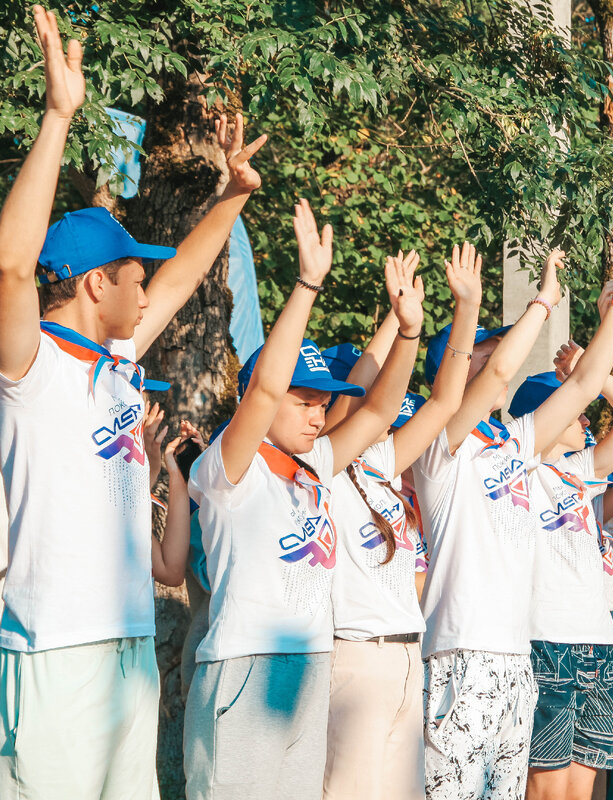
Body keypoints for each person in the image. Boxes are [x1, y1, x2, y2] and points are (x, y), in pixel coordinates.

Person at [0, 7, 267, 795]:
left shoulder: (116, 361)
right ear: (97, 282)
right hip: (54, 652)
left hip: (129, 643)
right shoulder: (28, 369)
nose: (146, 284)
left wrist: (234, 195)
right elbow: (9, 269)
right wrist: (58, 116)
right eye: (132, 271)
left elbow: (179, 279)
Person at [184, 200, 420, 798]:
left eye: (323, 403)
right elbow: (264, 387)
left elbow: (382, 410)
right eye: (305, 402)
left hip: (309, 667)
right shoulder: (230, 465)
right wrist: (309, 283)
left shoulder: (313, 465)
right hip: (245, 666)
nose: (318, 416)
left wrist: (408, 330)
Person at [417, 240, 613, 800]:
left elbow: (583, 387)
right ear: (454, 371)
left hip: (516, 664)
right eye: (479, 354)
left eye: (494, 349)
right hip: (462, 656)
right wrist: (542, 303)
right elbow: (502, 368)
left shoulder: (513, 445)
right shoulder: (441, 448)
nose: (496, 359)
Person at [322, 243, 482, 800]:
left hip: (404, 656)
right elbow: (368, 400)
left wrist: (466, 310)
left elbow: (442, 403)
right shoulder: (321, 466)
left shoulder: (379, 462)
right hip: (356, 657)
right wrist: (400, 326)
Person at [518, 325, 613, 800]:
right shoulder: (522, 470)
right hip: (546, 642)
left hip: (599, 645)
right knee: (546, 789)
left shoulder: (582, 471)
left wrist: (590, 374)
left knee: (585, 791)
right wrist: (578, 384)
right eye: (576, 409)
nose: (586, 420)